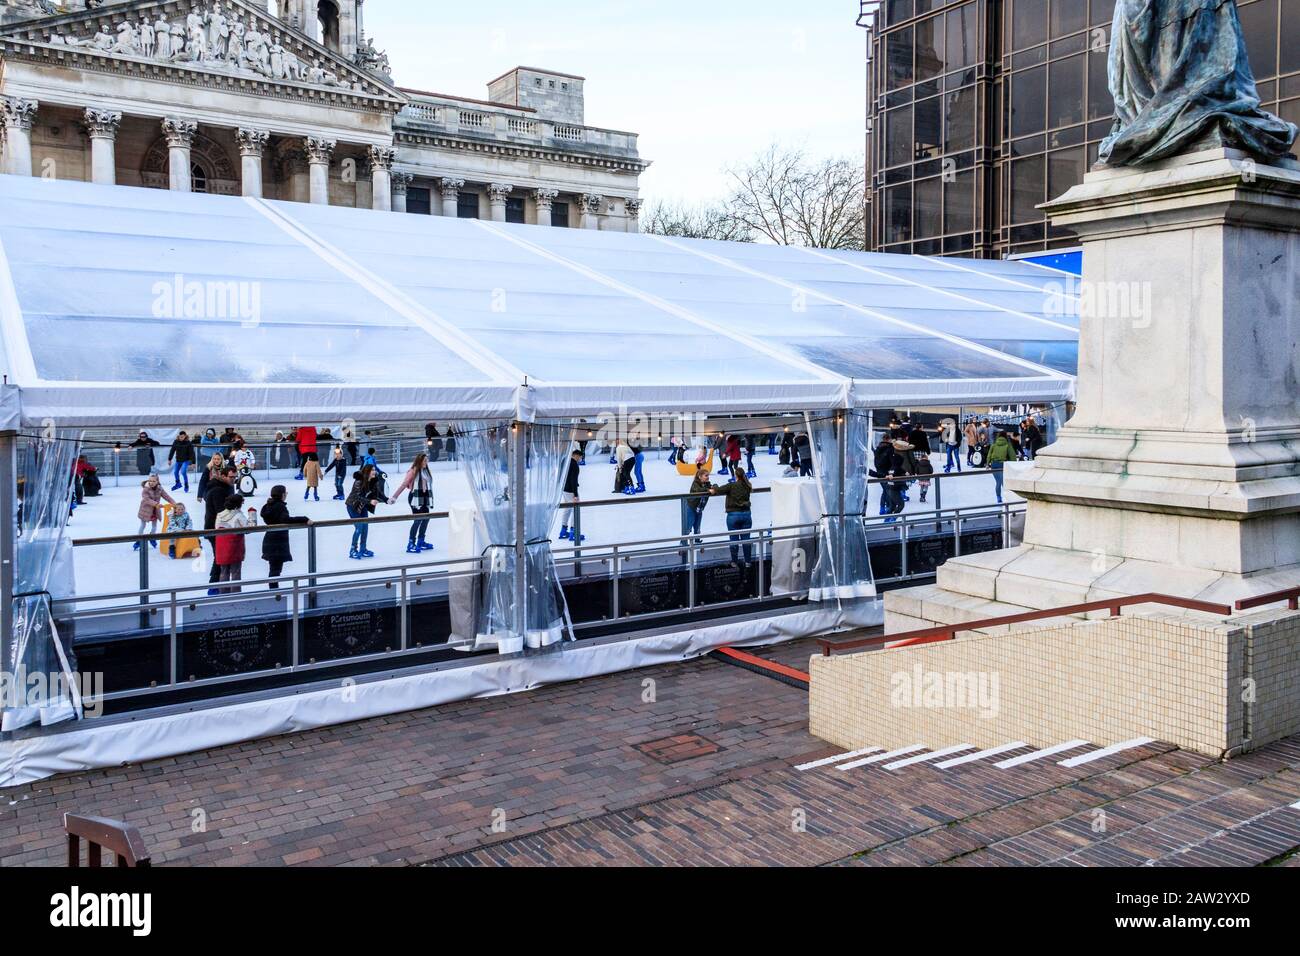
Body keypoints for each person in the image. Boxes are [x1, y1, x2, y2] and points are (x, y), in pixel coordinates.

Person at [260, 485, 309, 589]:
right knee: (276, 569)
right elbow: (286, 519)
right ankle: (274, 592)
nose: (286, 495)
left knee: (274, 568)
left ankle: (274, 590)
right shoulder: (280, 506)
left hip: (269, 539)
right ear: (282, 495)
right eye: (285, 493)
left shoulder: (268, 505)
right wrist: (304, 519)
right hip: (278, 542)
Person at [389, 452, 435, 553]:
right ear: (419, 461)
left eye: (427, 460)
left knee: (426, 519)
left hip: (424, 498)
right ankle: (411, 543)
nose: (426, 462)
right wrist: (394, 497)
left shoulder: (425, 471)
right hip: (415, 498)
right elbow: (404, 484)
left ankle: (421, 541)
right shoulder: (413, 471)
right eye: (424, 461)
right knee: (418, 520)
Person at [214, 493, 257, 593]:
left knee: (223, 572)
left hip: (222, 548)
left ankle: (223, 593)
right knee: (235, 572)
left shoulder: (219, 515)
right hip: (235, 547)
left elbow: (217, 528)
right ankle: (235, 594)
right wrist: (252, 514)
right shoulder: (238, 515)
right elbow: (250, 528)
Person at [709, 467, 753, 564]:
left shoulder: (731, 485)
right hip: (746, 515)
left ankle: (734, 561)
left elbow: (719, 490)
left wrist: (714, 485)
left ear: (735, 475)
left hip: (733, 515)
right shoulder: (747, 485)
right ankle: (748, 562)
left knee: (733, 539)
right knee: (746, 540)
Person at [203, 465, 236, 593]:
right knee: (220, 556)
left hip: (220, 528)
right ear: (223, 476)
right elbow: (221, 511)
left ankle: (216, 583)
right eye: (231, 477)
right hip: (214, 528)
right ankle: (213, 585)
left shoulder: (226, 488)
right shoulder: (218, 490)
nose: (233, 479)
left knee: (220, 556)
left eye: (235, 477)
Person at [345, 464, 382, 559]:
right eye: (372, 470)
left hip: (363, 507)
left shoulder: (373, 481)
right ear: (367, 472)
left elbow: (379, 493)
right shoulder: (358, 481)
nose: (374, 471)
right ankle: (353, 550)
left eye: (374, 469)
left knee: (365, 528)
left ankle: (363, 548)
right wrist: (370, 501)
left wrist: (387, 500)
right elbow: (357, 497)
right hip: (353, 506)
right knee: (359, 528)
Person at [134, 474, 175, 550]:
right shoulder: (145, 489)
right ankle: (139, 540)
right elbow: (146, 499)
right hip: (145, 510)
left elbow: (166, 496)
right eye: (150, 480)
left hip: (155, 511)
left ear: (157, 481)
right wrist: (156, 504)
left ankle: (152, 537)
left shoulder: (160, 489)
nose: (151, 482)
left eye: (153, 481)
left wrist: (173, 503)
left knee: (154, 527)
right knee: (143, 525)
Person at [680, 464, 711, 560]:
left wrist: (713, 488)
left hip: (699, 509)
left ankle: (697, 542)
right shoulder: (695, 484)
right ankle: (683, 543)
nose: (708, 477)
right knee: (688, 527)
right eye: (706, 475)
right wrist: (709, 490)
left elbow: (714, 486)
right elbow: (699, 491)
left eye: (708, 475)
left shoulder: (706, 484)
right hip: (691, 507)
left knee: (697, 527)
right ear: (700, 476)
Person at [557, 449, 585, 542]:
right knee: (575, 509)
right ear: (576, 455)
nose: (580, 460)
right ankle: (574, 532)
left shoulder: (564, 461)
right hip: (570, 490)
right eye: (580, 457)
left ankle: (563, 530)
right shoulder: (574, 465)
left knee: (567, 509)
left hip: (564, 489)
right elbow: (573, 480)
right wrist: (575, 494)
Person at [988, 430, 1017, 503]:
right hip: (1003, 465)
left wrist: (987, 463)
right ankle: (1008, 498)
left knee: (998, 482)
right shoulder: (1008, 445)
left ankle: (998, 497)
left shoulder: (994, 445)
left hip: (994, 465)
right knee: (1004, 482)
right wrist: (1013, 464)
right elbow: (1013, 457)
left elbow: (989, 455)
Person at [908, 425, 934, 503]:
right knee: (922, 462)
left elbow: (909, 441)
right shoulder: (923, 434)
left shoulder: (912, 433)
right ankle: (921, 475)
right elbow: (926, 443)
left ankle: (915, 474)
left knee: (916, 463)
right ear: (920, 428)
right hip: (921, 450)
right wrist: (928, 451)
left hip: (913, 450)